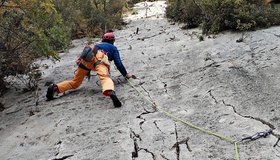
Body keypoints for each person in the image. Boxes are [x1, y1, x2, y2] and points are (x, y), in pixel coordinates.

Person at [46, 31, 135, 107]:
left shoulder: (96, 45)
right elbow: (118, 63)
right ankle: (110, 91)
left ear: (103, 39)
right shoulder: (113, 48)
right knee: (105, 78)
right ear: (113, 41)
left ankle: (55, 88)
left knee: (75, 82)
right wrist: (126, 74)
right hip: (100, 60)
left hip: (86, 61)